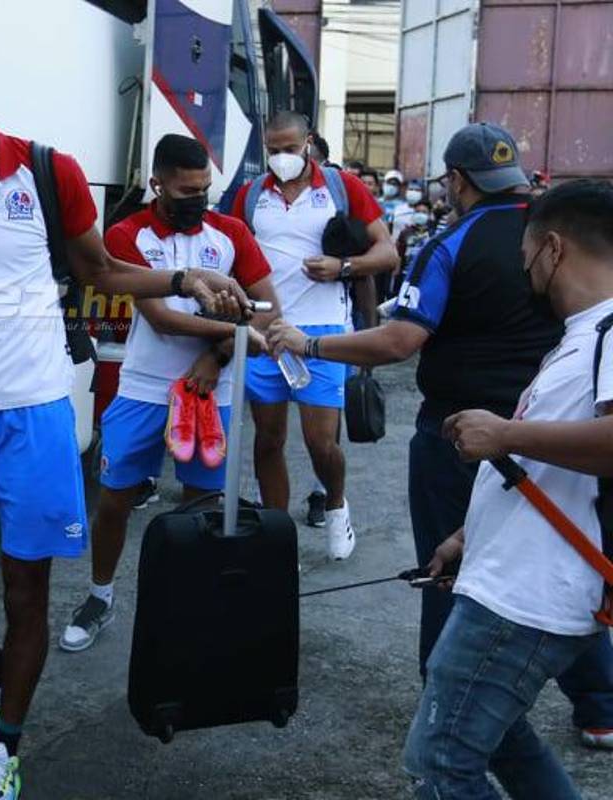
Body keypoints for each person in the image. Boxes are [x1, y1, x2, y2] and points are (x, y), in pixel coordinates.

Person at [0, 38, 245, 800]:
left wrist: (183, 275)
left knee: (25, 593)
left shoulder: (46, 171)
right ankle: (3, 676)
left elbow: (99, 270)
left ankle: (7, 743)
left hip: (32, 416)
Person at [268, 123, 613, 743]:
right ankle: (600, 707)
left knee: (448, 570)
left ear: (455, 181)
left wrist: (311, 342)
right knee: (562, 557)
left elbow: (401, 340)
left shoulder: (453, 242)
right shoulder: (564, 236)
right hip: (556, 427)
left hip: (465, 433)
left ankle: (448, 706)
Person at [402, 179, 613, 798]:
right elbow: (554, 474)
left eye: (525, 252)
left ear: (552, 247)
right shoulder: (581, 335)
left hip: (529, 596)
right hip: (512, 575)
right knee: (500, 736)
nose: (522, 265)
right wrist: (470, 537)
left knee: (441, 763)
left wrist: (505, 434)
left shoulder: (609, 332)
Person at [59, 134, 279, 653]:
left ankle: (198, 604)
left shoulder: (231, 233)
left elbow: (270, 310)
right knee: (114, 502)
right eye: (186, 191)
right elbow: (160, 319)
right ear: (156, 184)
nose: (198, 200)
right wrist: (235, 331)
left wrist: (218, 355)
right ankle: (100, 595)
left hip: (214, 391)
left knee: (204, 507)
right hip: (143, 389)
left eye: (205, 189)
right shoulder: (126, 234)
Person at [231, 111, 398, 559]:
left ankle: (336, 503)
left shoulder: (342, 189)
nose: (281, 157)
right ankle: (275, 532)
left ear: (308, 143)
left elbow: (387, 253)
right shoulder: (251, 195)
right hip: (266, 329)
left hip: (324, 332)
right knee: (267, 440)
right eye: (273, 150)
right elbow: (231, 250)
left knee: (322, 444)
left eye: (289, 148)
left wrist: (343, 267)